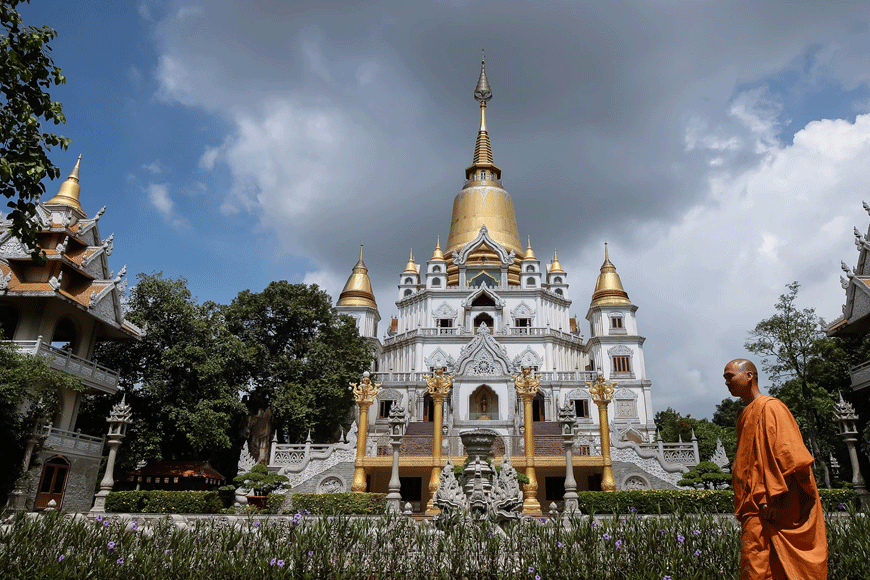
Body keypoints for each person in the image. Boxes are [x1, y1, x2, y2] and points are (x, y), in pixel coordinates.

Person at [724, 359, 827, 579]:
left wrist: (773, 499)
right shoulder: (744, 415)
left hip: (771, 505)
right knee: (756, 566)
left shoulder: (772, 407)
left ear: (749, 376)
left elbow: (790, 457)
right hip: (753, 506)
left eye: (730, 376)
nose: (726, 382)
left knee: (770, 566)